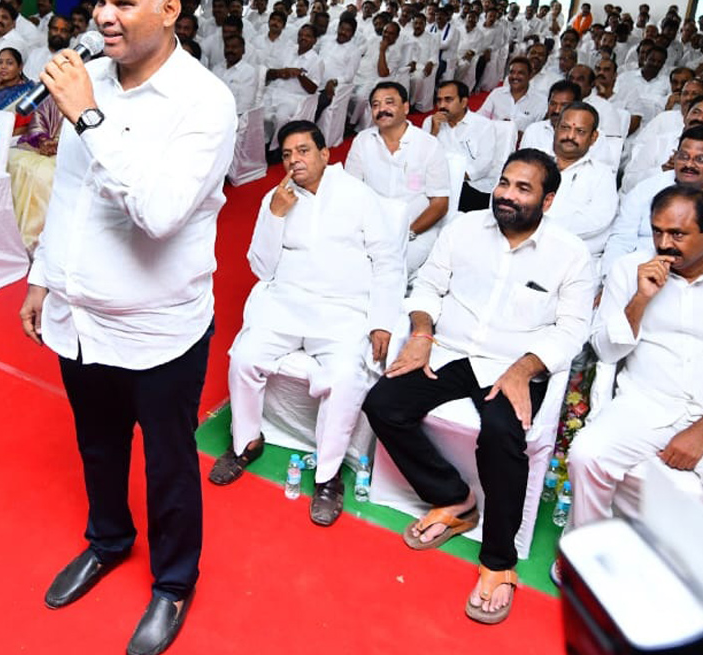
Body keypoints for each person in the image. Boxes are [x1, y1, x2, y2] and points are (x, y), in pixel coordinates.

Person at [20, 0, 235, 655]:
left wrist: (86, 116)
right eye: (100, 1)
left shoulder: (202, 102)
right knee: (98, 445)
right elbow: (72, 196)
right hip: (79, 315)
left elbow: (161, 213)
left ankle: (174, 583)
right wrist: (43, 275)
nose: (103, 17)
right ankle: (107, 540)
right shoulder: (95, 79)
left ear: (170, 11)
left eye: (124, 5)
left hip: (157, 326)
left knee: (169, 464)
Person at [362, 150, 593, 625]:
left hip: (516, 363)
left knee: (503, 435)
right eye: (504, 182)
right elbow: (427, 284)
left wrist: (524, 368)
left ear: (548, 200)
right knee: (383, 403)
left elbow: (571, 331)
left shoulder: (571, 254)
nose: (506, 194)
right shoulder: (465, 227)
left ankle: (498, 562)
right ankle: (453, 497)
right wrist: (422, 334)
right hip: (451, 350)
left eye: (523, 188)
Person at [212, 120, 404, 527]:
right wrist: (275, 217)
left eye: (302, 151)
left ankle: (329, 476)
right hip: (285, 305)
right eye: (285, 154)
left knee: (346, 379)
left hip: (342, 311)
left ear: (324, 154)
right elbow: (261, 268)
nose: (294, 160)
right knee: (244, 358)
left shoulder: (358, 196)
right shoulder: (276, 198)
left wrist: (382, 321)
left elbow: (388, 263)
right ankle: (246, 441)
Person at [565, 186, 703, 531]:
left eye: (678, 234)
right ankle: (587, 549)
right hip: (644, 403)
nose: (665, 243)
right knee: (586, 454)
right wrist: (641, 299)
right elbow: (606, 351)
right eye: (658, 230)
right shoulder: (630, 269)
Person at [345, 82, 449, 276]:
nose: (382, 109)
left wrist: (407, 233)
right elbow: (350, 191)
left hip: (416, 232)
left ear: (406, 107)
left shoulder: (428, 145)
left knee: (388, 272)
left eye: (389, 102)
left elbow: (440, 204)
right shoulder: (362, 141)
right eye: (375, 105)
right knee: (346, 265)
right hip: (371, 230)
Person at [602, 125, 703, 276]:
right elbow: (621, 239)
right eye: (683, 156)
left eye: (700, 159)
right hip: (638, 271)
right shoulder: (647, 188)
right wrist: (608, 280)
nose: (689, 165)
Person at [543, 102, 618, 272]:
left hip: (572, 262)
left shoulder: (602, 174)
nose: (570, 136)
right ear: (555, 128)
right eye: (565, 127)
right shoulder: (533, 163)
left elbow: (597, 221)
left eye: (580, 131)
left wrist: (537, 226)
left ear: (593, 137)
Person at [422, 80, 497, 211]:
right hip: (435, 182)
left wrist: (454, 177)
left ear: (463, 102)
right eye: (439, 100)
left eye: (448, 100)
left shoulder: (483, 125)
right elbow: (421, 158)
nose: (442, 105)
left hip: (470, 184)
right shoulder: (431, 122)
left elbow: (483, 164)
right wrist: (433, 132)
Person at [8, 96, 63, 252]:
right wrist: (43, 141)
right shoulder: (51, 98)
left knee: (43, 174)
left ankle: (34, 240)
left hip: (70, 153)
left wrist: (58, 146)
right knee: (12, 161)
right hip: (43, 147)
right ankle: (11, 235)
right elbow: (37, 124)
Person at [479, 56, 545, 133]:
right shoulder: (497, 93)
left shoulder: (540, 101)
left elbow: (539, 132)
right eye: (512, 72)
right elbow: (480, 117)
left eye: (520, 73)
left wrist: (521, 134)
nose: (515, 76)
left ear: (530, 76)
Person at [521, 80, 582, 156]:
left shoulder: (588, 136)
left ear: (577, 107)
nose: (557, 110)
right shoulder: (534, 130)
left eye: (564, 105)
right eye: (553, 104)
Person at [0, 48, 38, 133]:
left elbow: (20, 131)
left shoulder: (27, 93)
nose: (3, 67)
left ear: (20, 67)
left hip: (9, 139)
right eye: (0, 62)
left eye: (9, 63)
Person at [23, 13, 73, 80]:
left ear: (70, 34)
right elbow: (26, 79)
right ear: (49, 30)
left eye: (63, 31)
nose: (58, 33)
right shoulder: (35, 53)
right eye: (55, 29)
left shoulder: (71, 60)